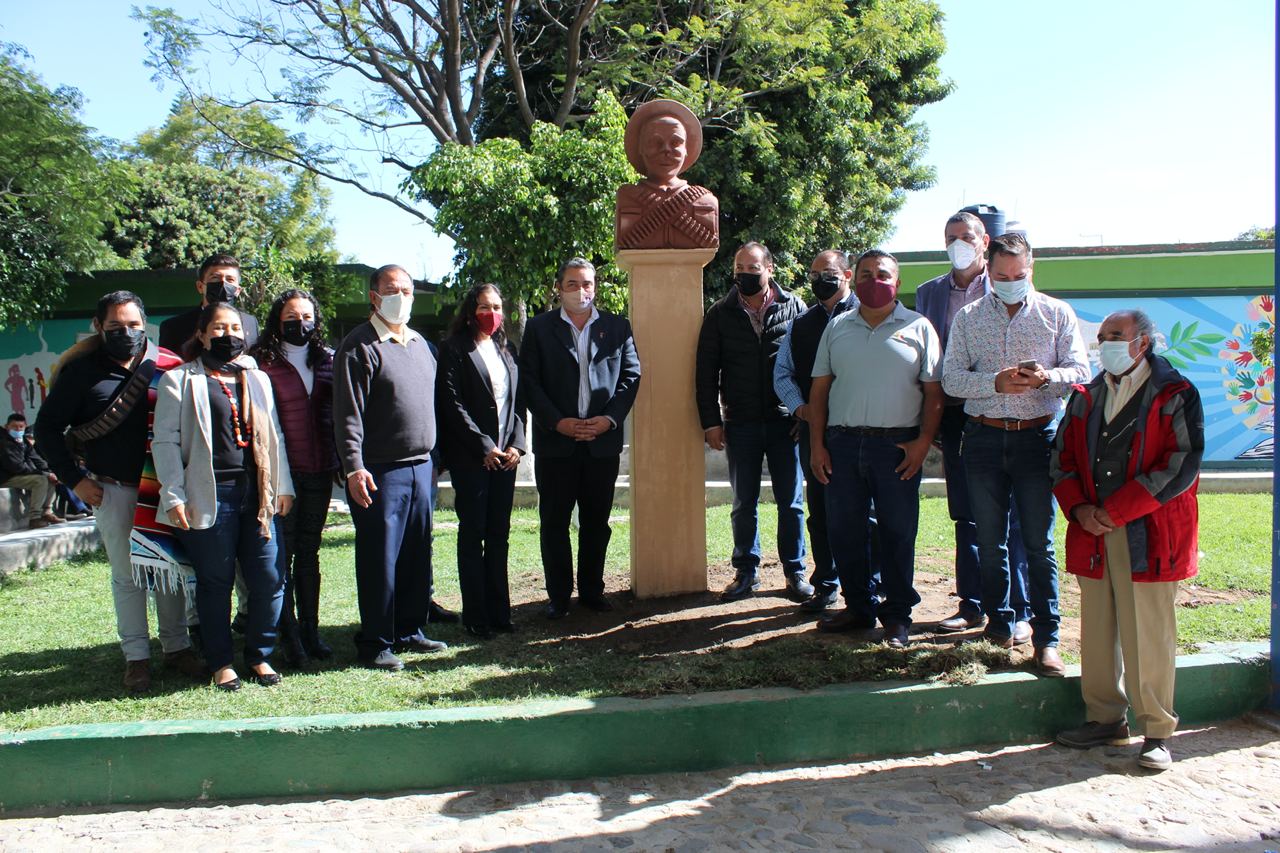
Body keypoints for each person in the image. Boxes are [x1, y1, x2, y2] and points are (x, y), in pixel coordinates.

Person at [1053, 310, 1204, 771]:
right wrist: (1081, 509)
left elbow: (1180, 465)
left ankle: (1156, 730)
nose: (1106, 344)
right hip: (1093, 530)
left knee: (1148, 632)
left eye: (1115, 336)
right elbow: (1061, 458)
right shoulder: (1086, 395)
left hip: (1150, 531)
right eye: (1101, 338)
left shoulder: (1176, 393)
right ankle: (1104, 718)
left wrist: (1115, 512)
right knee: (1097, 629)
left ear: (1143, 341)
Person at [35, 291, 204, 693]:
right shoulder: (79, 373)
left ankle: (177, 647)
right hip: (113, 491)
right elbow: (46, 431)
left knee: (170, 570)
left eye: (132, 325)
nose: (125, 333)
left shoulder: (171, 367)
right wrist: (74, 479)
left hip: (166, 492)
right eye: (115, 327)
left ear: (145, 324)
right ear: (99, 327)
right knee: (128, 577)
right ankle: (136, 657)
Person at [941, 233, 1090, 676]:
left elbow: (1082, 372)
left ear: (1032, 268)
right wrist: (994, 382)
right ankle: (1000, 627)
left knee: (1039, 544)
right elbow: (950, 379)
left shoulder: (1056, 313)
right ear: (988, 270)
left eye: (1018, 275)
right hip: (983, 439)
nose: (1009, 282)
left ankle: (1046, 640)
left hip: (1037, 439)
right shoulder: (969, 317)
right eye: (1000, 276)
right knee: (989, 543)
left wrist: (1046, 377)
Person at [153, 302, 294, 691]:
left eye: (235, 327)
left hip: (259, 495)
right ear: (201, 333)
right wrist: (174, 494)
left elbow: (275, 435)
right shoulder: (179, 380)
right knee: (215, 582)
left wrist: (284, 487)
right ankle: (221, 662)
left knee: (269, 578)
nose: (227, 334)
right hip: (209, 495)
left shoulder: (257, 378)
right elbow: (165, 442)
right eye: (218, 327)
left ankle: (259, 655)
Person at [807, 250, 943, 647]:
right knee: (845, 531)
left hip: (896, 448)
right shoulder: (837, 327)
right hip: (843, 445)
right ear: (853, 277)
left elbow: (934, 395)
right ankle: (858, 607)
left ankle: (898, 615)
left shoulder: (919, 327)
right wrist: (818, 445)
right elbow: (819, 391)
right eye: (865, 273)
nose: (873, 280)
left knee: (898, 533)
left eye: (882, 274)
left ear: (897, 283)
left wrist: (922, 444)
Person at [915, 211, 1033, 635]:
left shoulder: (1007, 284)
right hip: (954, 416)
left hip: (1006, 414)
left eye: (966, 236)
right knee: (966, 513)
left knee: (1014, 516)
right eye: (950, 237)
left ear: (985, 242)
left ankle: (1019, 610)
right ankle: (972, 604)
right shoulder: (928, 293)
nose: (958, 243)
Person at [334, 264, 446, 670]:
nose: (401, 296)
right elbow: (348, 413)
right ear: (374, 296)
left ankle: (410, 630)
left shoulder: (420, 344)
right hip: (380, 471)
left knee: (417, 552)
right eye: (391, 289)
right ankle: (376, 642)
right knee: (380, 557)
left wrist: (435, 459)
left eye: (407, 289)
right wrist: (353, 467)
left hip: (420, 467)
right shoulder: (359, 345)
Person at [520, 258, 641, 619]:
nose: (581, 291)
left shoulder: (617, 327)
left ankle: (592, 591)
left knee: (595, 522)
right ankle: (558, 596)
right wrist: (557, 422)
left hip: (601, 444)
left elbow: (631, 376)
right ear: (559, 288)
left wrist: (609, 419)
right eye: (572, 284)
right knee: (554, 523)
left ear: (595, 287)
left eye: (587, 284)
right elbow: (529, 382)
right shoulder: (539, 329)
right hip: (556, 444)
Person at [696, 241, 810, 602]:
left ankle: (795, 572)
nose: (745, 275)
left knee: (790, 502)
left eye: (753, 268)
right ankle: (747, 571)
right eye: (739, 269)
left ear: (770, 269)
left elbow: (809, 366)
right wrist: (711, 421)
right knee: (743, 501)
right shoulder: (719, 313)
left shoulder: (796, 308)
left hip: (784, 423)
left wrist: (803, 413)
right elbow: (705, 373)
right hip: (740, 422)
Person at [250, 289, 339, 667]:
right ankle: (289, 640)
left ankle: (311, 632)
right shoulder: (261, 362)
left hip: (319, 471)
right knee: (279, 561)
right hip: (279, 476)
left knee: (309, 555)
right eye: (291, 316)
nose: (299, 324)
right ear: (277, 320)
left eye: (306, 317)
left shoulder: (328, 360)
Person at [437, 283, 526, 638]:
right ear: (471, 310)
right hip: (472, 459)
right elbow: (450, 403)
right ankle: (475, 615)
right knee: (473, 534)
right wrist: (483, 445)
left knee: (499, 535)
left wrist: (516, 445)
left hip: (506, 457)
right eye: (485, 307)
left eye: (497, 307)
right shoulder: (454, 349)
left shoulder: (508, 349)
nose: (492, 314)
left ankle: (500, 613)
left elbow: (517, 402)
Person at [773, 249, 857, 612]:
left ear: (847, 275)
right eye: (813, 273)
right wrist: (800, 407)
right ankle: (827, 584)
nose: (819, 280)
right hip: (816, 432)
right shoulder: (801, 323)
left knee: (863, 513)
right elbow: (782, 373)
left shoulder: (865, 316)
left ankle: (868, 585)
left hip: (862, 431)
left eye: (828, 273)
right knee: (820, 512)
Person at [614, 99, 719, 250]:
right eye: (655, 142)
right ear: (641, 148)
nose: (666, 150)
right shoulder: (627, 197)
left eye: (676, 143)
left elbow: (709, 242)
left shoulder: (705, 201)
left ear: (686, 149)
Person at [158, 253, 261, 353]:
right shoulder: (173, 328)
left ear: (238, 290)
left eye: (230, 280)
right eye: (215, 278)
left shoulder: (250, 323)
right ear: (200, 286)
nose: (223, 284)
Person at [2, 413, 61, 529]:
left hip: (18, 474)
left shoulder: (22, 440)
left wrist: (50, 472)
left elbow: (36, 458)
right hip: (6, 477)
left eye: (21, 427)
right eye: (14, 427)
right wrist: (44, 474)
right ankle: (35, 518)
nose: (18, 430)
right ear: (6, 427)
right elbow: (17, 467)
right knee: (40, 480)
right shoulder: (4, 443)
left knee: (50, 478)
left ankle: (47, 512)